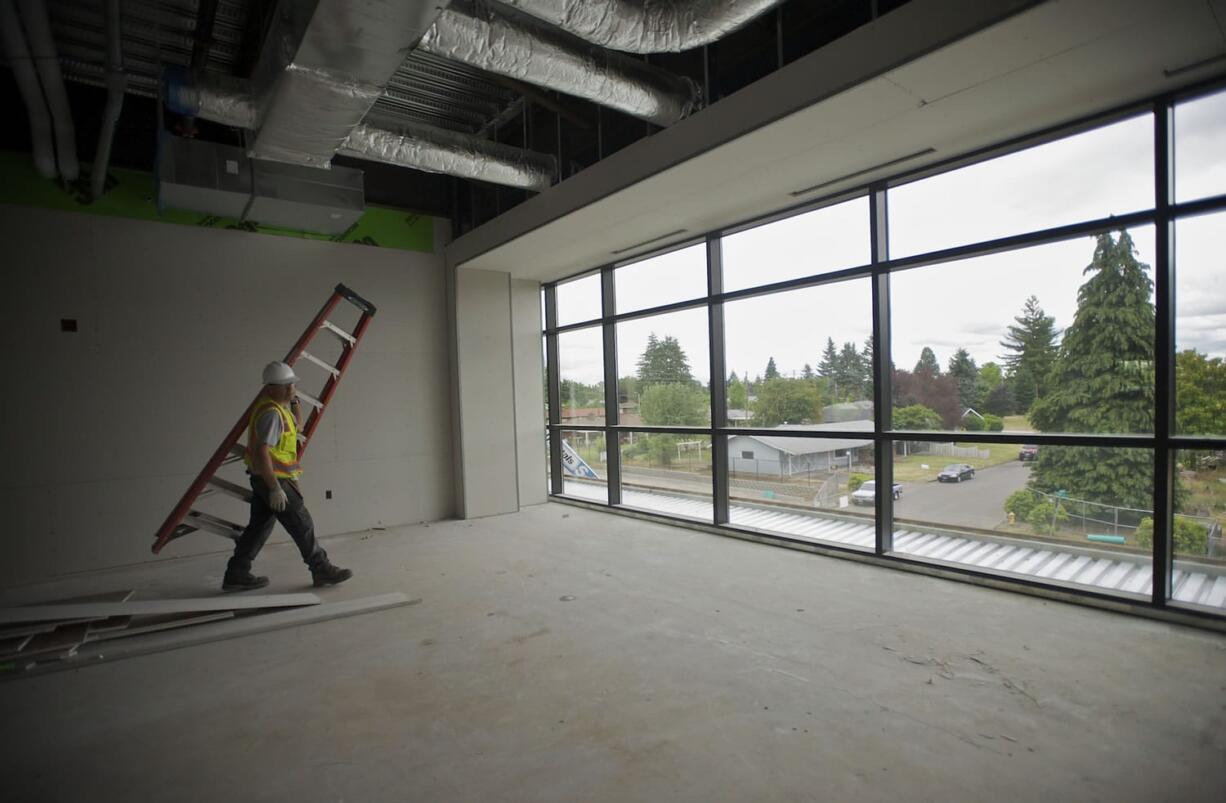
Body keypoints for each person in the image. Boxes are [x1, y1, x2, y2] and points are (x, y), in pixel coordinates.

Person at [222, 361, 352, 591]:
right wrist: (274, 487)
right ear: (271, 388)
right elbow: (262, 450)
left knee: (259, 528)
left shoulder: (279, 408)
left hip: (269, 478)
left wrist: (294, 402)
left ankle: (237, 573)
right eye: (286, 385)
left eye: (292, 384)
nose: (292, 388)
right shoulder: (271, 413)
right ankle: (321, 569)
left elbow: (298, 426)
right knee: (302, 523)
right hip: (273, 479)